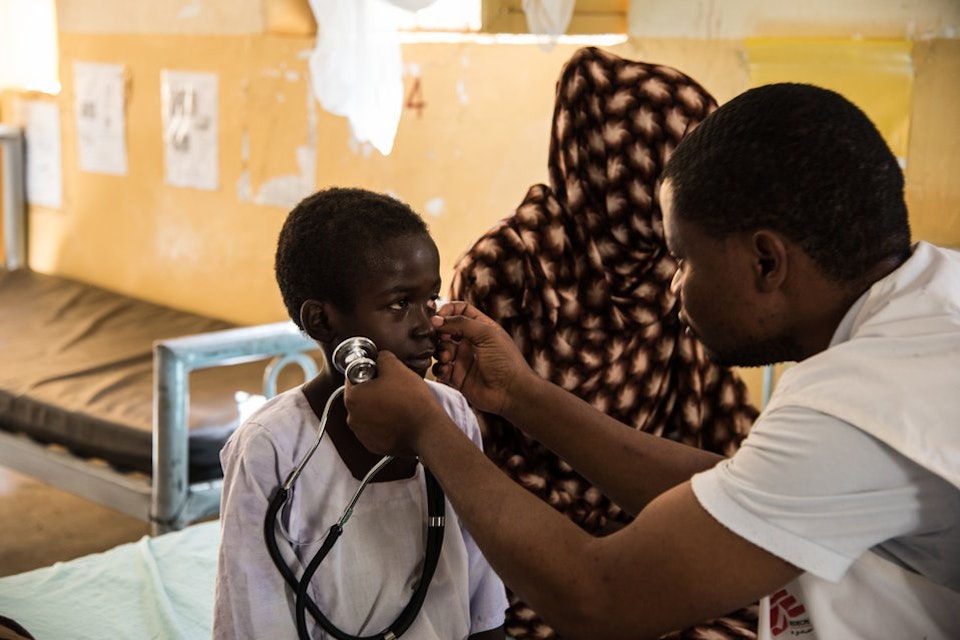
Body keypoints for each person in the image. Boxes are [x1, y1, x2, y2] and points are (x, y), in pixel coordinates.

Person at [342, 84, 960, 639]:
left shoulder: (858, 404)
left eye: (682, 259)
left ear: (766, 262)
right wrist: (519, 394)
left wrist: (428, 428)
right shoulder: (930, 312)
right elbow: (738, 491)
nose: (671, 285)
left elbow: (600, 596)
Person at [449, 46, 759, 640]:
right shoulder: (509, 268)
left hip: (665, 518)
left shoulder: (676, 274)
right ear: (622, 166)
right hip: (533, 538)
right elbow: (474, 454)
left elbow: (731, 458)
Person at [212, 187, 507, 639]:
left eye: (430, 299)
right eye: (397, 304)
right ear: (322, 323)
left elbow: (483, 599)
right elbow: (252, 613)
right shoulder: (271, 447)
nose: (427, 325)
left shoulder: (451, 413)